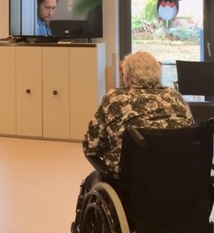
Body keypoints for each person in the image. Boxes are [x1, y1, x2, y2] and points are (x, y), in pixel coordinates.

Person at [82, 51, 193, 181]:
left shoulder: (115, 99)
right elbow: (190, 132)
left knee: (89, 181)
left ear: (127, 77)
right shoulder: (176, 96)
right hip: (178, 175)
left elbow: (91, 145)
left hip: (132, 179)